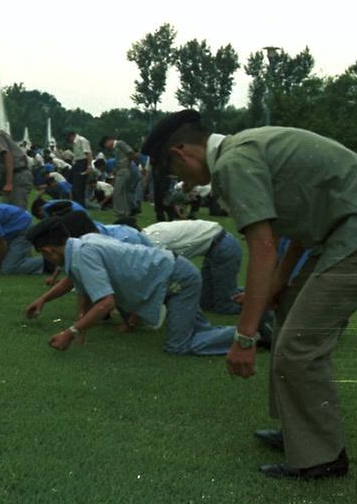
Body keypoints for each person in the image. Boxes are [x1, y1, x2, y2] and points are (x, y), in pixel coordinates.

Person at [142, 108, 357, 479]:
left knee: (299, 344)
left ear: (180, 153)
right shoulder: (243, 150)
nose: (183, 182)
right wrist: (277, 287)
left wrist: (244, 335)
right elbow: (297, 227)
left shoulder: (233, 164)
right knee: (289, 310)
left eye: (175, 173)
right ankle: (300, 433)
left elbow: (264, 248)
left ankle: (322, 458)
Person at [24, 217, 240, 356]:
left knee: (177, 346)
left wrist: (70, 332)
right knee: (199, 331)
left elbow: (106, 303)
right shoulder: (81, 244)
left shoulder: (84, 254)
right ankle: (246, 333)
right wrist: (44, 300)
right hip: (170, 275)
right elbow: (75, 282)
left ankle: (252, 333)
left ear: (48, 251)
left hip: (177, 280)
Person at [142, 219, 242, 314]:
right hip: (215, 246)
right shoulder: (147, 234)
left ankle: (253, 301)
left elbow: (160, 277)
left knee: (224, 306)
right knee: (205, 301)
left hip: (223, 246)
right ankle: (239, 292)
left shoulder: (152, 244)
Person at [99, 135, 136, 218]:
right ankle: (125, 212)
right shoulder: (115, 148)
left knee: (117, 192)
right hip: (120, 170)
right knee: (122, 192)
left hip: (123, 170)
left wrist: (128, 164)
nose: (107, 147)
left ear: (109, 141)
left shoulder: (120, 143)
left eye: (105, 145)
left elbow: (130, 152)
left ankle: (119, 211)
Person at [66, 130, 93, 207]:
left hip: (83, 163)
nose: (69, 140)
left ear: (72, 135)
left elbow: (88, 153)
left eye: (69, 138)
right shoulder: (75, 143)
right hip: (77, 163)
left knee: (79, 187)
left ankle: (80, 206)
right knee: (73, 185)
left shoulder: (82, 140)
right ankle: (75, 204)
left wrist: (89, 166)